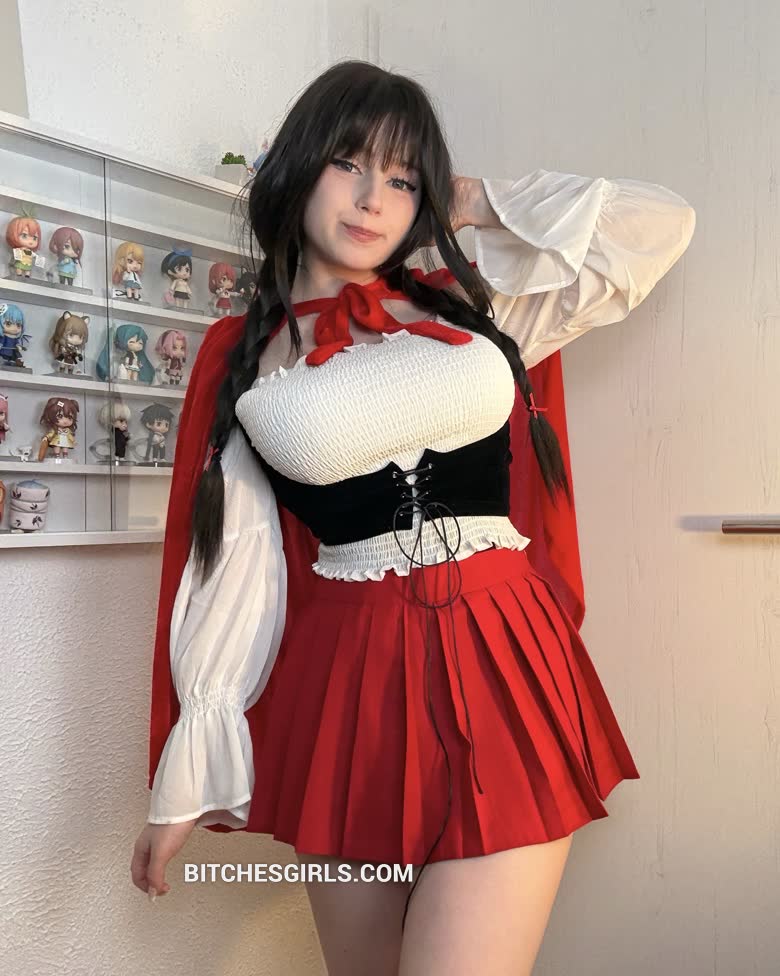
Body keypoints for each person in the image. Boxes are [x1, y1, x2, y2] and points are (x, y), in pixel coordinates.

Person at [130, 59, 695, 976]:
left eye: (401, 178)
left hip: (507, 660)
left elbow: (657, 225)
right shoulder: (245, 355)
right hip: (349, 684)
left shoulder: (476, 305)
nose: (373, 199)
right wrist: (183, 778)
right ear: (299, 164)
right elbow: (230, 566)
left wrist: (469, 201)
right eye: (349, 163)